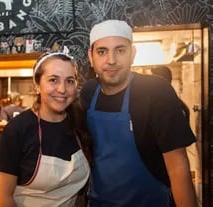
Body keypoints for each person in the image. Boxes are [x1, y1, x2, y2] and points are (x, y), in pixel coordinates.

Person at [80, 19, 197, 207]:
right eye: (102, 51)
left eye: (120, 50)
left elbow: (178, 168)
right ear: (91, 57)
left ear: (133, 54)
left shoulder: (155, 91)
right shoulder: (88, 93)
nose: (111, 60)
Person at [0, 52, 91, 207]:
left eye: (69, 81)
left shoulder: (79, 123)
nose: (62, 89)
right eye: (53, 80)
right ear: (37, 85)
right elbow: (0, 195)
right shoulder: (18, 128)